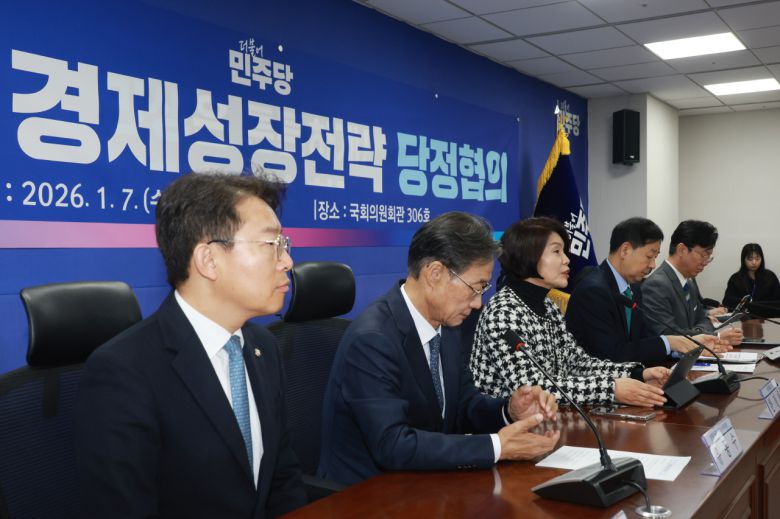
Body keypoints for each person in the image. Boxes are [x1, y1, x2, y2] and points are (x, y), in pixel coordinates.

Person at [75, 173, 307, 518]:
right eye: (271, 244)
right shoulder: (123, 372)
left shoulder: (263, 348)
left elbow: (283, 478)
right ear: (208, 260)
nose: (286, 260)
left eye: (283, 244)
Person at [318, 212, 560, 486]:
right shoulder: (373, 339)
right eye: (475, 288)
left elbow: (464, 406)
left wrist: (509, 410)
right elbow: (392, 444)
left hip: (428, 481)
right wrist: (496, 446)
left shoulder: (448, 326)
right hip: (367, 494)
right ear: (435, 274)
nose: (478, 304)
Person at [471, 217, 670, 409]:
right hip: (505, 426)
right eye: (556, 251)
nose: (567, 260)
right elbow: (531, 389)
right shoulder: (504, 312)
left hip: (549, 419)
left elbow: (577, 363)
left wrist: (638, 373)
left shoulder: (548, 306)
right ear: (528, 254)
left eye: (564, 252)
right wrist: (612, 389)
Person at [566, 217, 728, 366]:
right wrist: (670, 342)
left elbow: (644, 341)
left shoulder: (634, 288)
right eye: (649, 256)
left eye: (655, 257)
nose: (653, 265)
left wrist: (685, 347)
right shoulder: (593, 291)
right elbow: (609, 355)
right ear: (625, 250)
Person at [642, 220, 742, 345]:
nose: (705, 262)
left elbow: (705, 319)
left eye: (709, 257)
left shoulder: (689, 282)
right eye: (704, 255)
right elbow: (670, 335)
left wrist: (698, 331)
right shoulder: (656, 286)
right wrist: (717, 336)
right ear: (682, 250)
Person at [723, 243, 780, 309]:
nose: (754, 262)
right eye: (750, 259)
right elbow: (728, 302)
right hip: (743, 315)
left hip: (767, 314)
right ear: (743, 260)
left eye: (757, 259)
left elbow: (777, 300)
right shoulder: (735, 279)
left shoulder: (770, 277)